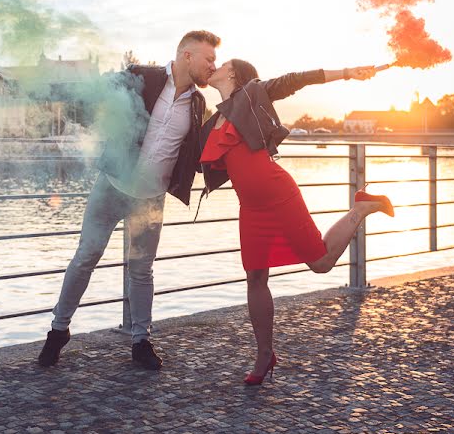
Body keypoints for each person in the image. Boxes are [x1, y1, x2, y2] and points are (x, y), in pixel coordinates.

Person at [198, 60, 394, 385]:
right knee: (255, 278)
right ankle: (264, 354)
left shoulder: (253, 92)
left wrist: (346, 71)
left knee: (320, 262)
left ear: (233, 73)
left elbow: (296, 80)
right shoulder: (210, 122)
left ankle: (359, 209)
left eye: (222, 63)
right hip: (250, 207)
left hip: (278, 193)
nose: (214, 65)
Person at [38, 30, 220, 370]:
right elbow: (94, 94)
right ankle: (58, 332)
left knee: (141, 271)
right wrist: (45, 92)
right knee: (86, 256)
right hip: (112, 186)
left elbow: (193, 153)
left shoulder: (198, 103)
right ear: (187, 56)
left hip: (150, 200)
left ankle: (141, 341)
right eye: (209, 59)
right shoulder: (142, 76)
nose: (213, 65)